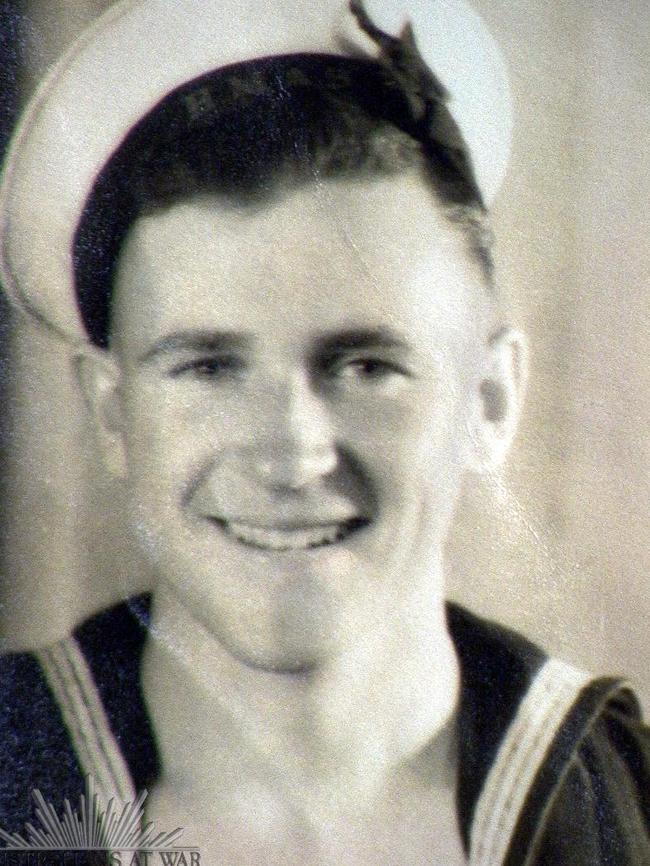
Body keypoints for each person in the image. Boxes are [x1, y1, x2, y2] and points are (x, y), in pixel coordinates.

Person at [0, 0, 648, 863]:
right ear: (115, 413)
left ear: (488, 401)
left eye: (366, 366)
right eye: (208, 367)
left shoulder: (624, 807)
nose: (290, 457)